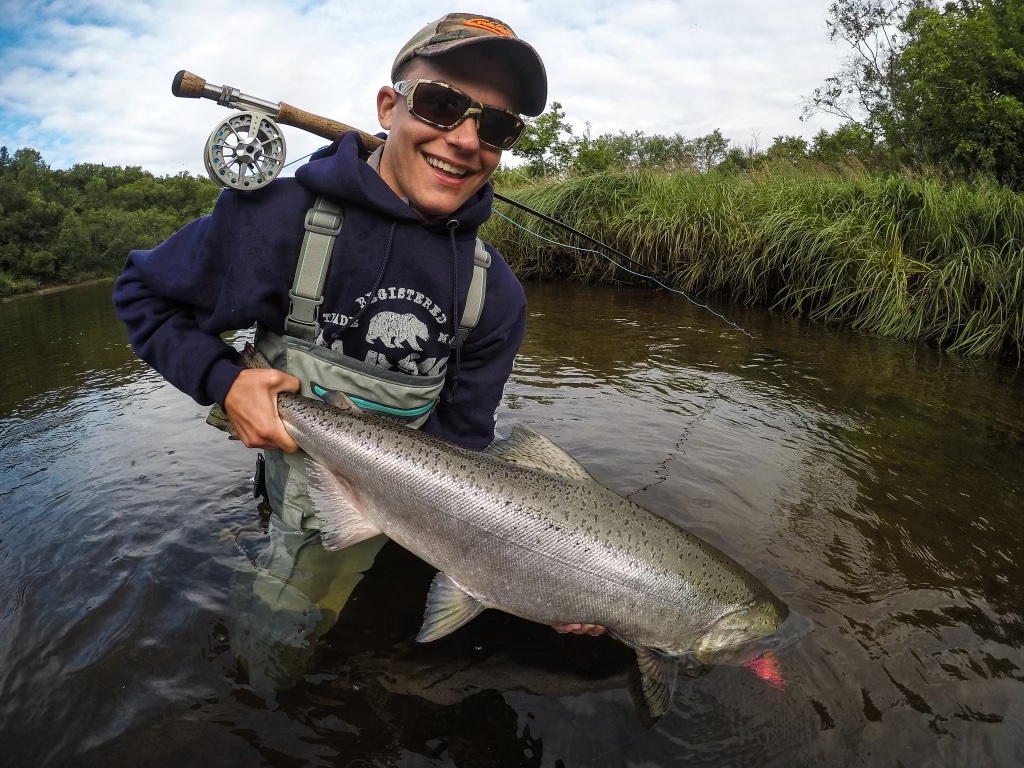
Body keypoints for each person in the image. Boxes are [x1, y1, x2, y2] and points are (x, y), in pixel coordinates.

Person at [114, 11, 601, 690]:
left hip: (415, 508)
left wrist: (549, 581)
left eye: (496, 126)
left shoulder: (498, 296)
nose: (465, 140)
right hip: (303, 495)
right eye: (441, 104)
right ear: (389, 106)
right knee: (279, 652)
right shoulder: (276, 219)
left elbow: (461, 446)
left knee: (396, 630)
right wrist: (225, 382)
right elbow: (143, 294)